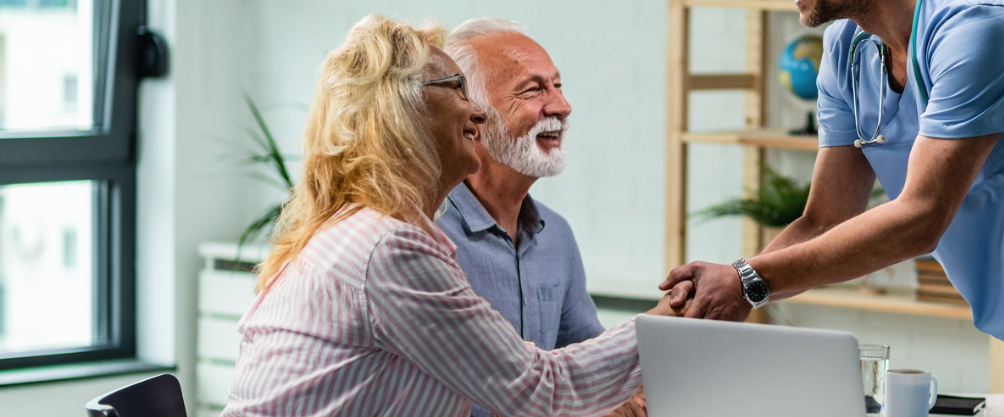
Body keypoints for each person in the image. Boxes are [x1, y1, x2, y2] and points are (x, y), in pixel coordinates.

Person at [661, 0, 1004, 415]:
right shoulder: (847, 50)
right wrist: (732, 297)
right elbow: (823, 220)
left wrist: (749, 279)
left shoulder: (985, 22)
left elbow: (921, 218)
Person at [223, 15, 675, 417]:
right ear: (404, 112)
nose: (477, 112)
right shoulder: (390, 249)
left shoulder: (368, 230)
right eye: (458, 88)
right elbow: (537, 389)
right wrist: (675, 316)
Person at [434, 17, 644, 417]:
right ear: (471, 118)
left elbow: (592, 362)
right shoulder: (423, 236)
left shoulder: (556, 237)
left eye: (558, 86)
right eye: (533, 90)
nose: (562, 107)